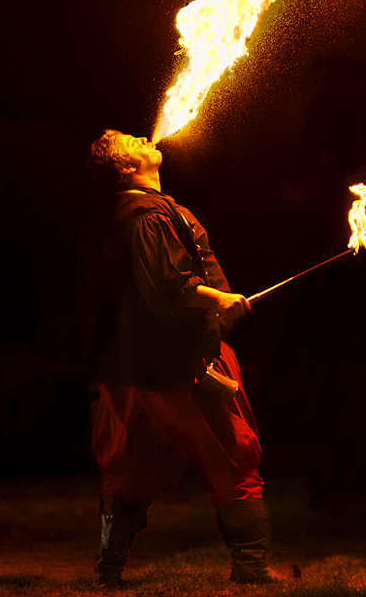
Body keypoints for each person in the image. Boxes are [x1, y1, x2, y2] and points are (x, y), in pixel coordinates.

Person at [77, 129, 278, 588]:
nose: (143, 137)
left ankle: (108, 569)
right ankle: (251, 566)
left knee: (131, 465)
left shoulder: (110, 214)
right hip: (179, 364)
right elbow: (167, 287)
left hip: (128, 368)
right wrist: (219, 300)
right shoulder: (145, 214)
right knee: (234, 451)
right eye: (132, 141)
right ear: (127, 168)